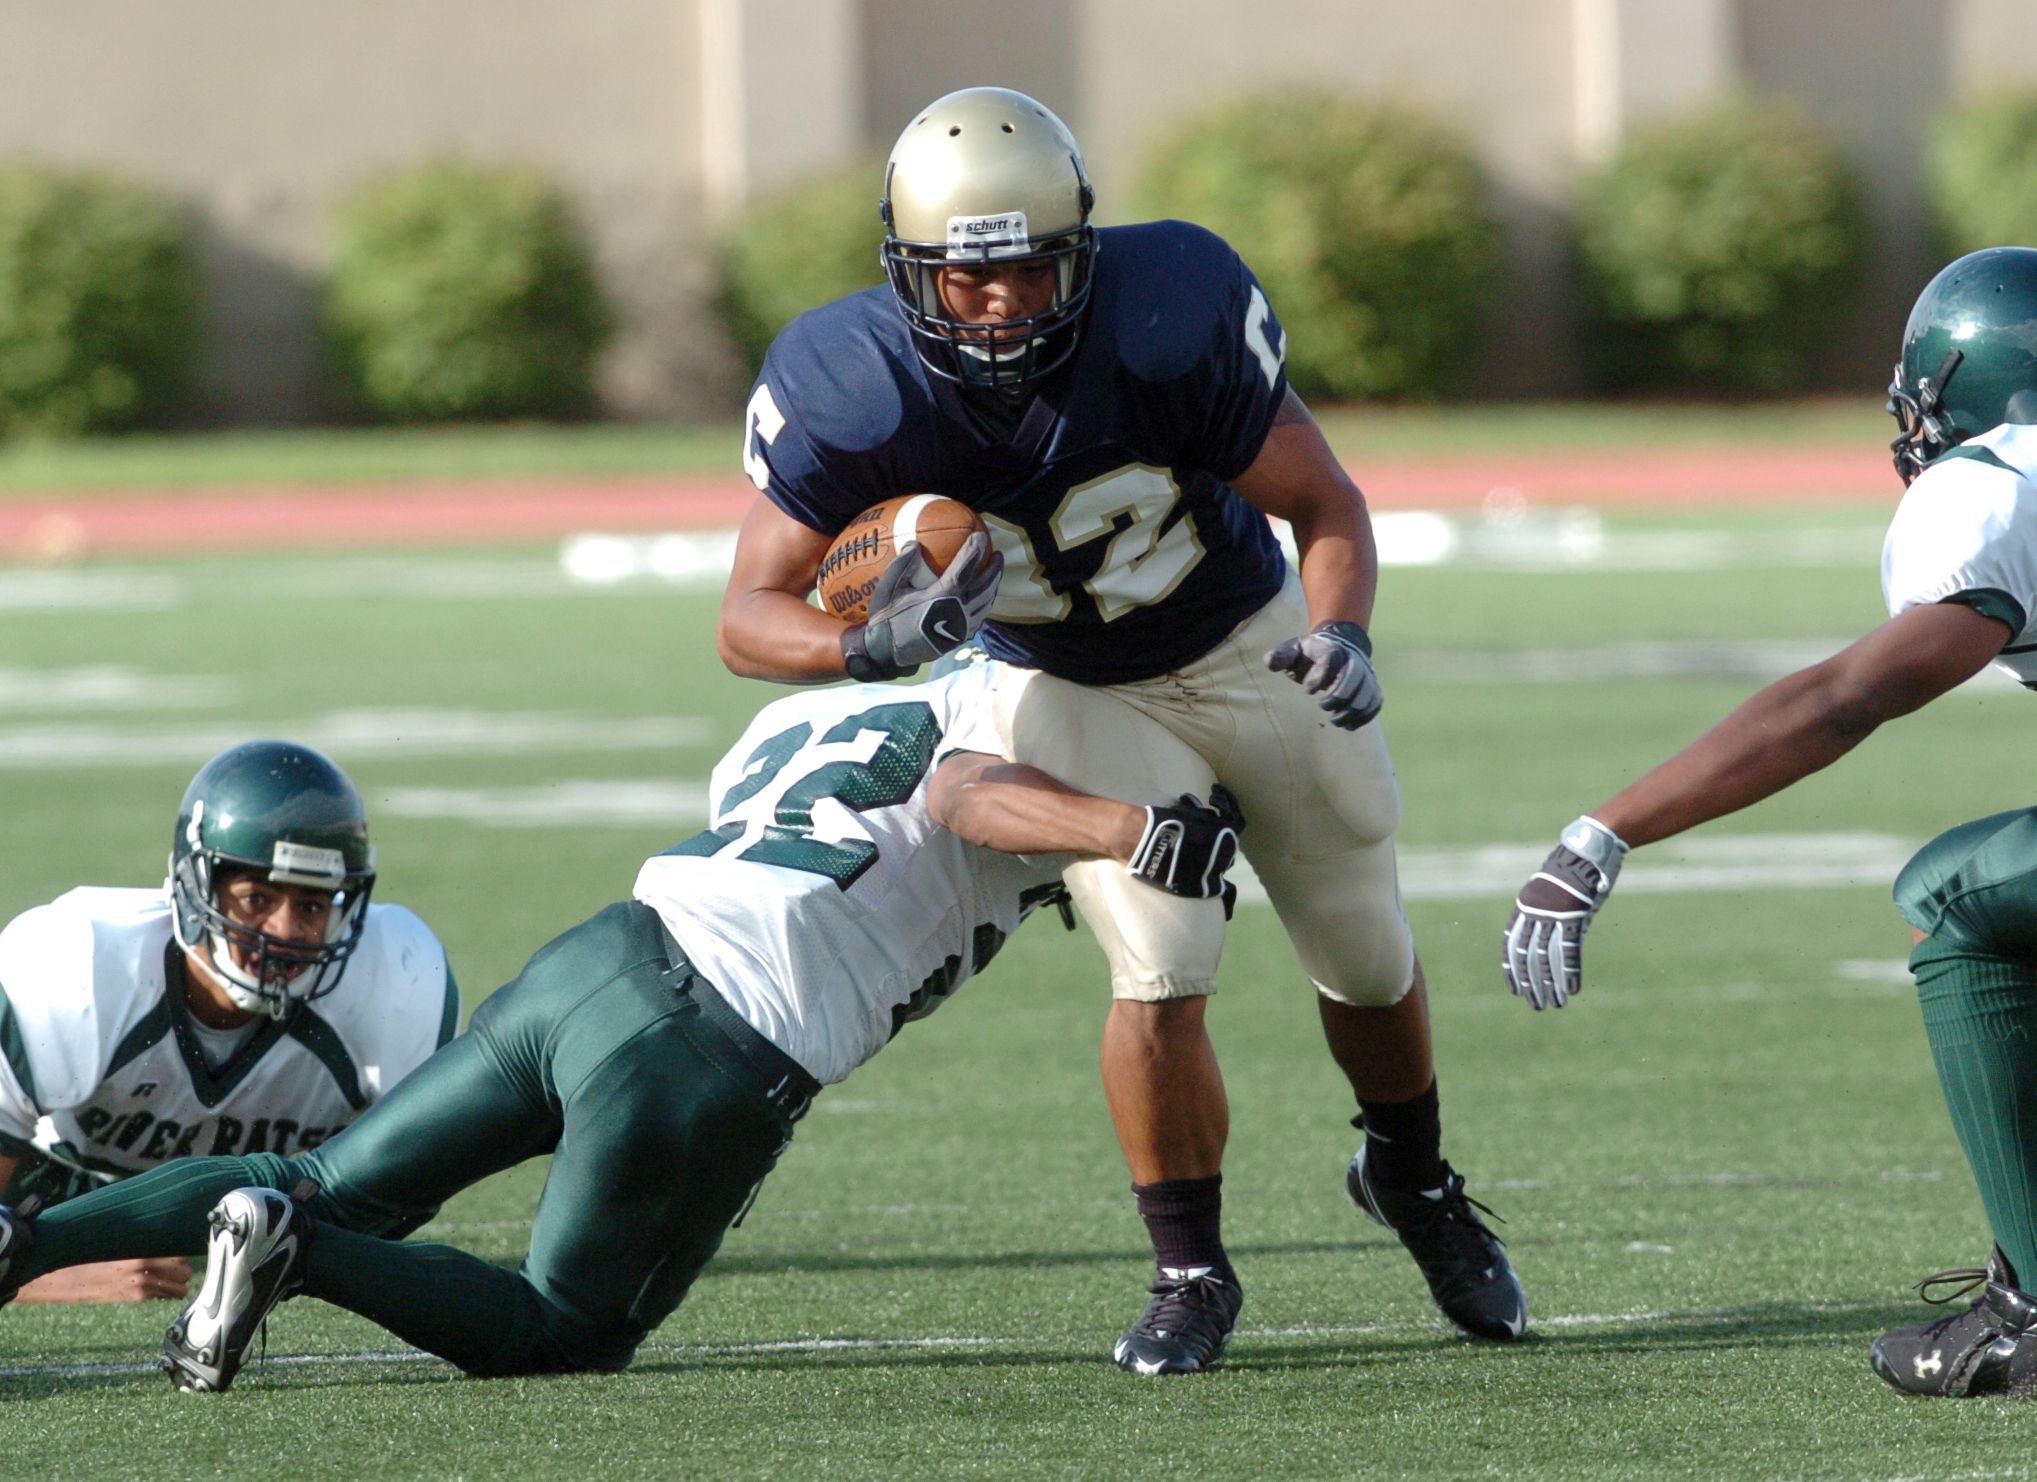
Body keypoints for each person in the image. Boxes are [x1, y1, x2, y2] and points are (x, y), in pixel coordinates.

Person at [718, 86, 1524, 1372]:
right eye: (966, 279)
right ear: (908, 270)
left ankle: (1413, 1178)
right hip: (1072, 685)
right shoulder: (851, 383)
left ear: (1081, 250)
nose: (1000, 304)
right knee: (1160, 959)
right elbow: (746, 619)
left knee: (1363, 947)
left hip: (1243, 633)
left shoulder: (1173, 308)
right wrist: (863, 645)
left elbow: (1325, 501)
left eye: (1032, 269)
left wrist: (1344, 632)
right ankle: (1191, 1270)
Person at [0, 663, 1244, 1389]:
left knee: (332, 1177)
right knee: (568, 1330)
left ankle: (24, 1244)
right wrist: (1126, 831)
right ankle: (288, 1247)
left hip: (603, 952)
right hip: (719, 1041)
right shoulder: (1010, 739)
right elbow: (973, 791)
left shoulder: (822, 715)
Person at [1502, 245, 2037, 1398]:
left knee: (1952, 901)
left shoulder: (1991, 484)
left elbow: (1851, 698)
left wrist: (1610, 828)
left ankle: (2029, 1312)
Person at [0, 739, 457, 1304]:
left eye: (311, 906)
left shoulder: (396, 975)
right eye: (257, 898)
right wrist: (42, 1269)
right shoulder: (82, 963)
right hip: (53, 1196)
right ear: (196, 890)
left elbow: (397, 1195)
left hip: (276, 1214)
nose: (286, 930)